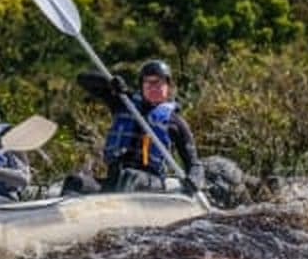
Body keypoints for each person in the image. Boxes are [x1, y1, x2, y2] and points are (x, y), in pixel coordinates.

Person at [64, 59, 204, 195]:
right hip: (115, 179)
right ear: (141, 86)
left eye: (158, 83)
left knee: (130, 177)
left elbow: (194, 164)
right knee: (74, 181)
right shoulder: (123, 103)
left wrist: (194, 181)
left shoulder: (175, 122)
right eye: (148, 84)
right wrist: (110, 83)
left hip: (150, 183)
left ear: (168, 86)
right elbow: (82, 79)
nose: (153, 88)